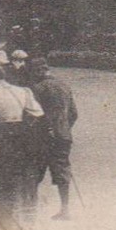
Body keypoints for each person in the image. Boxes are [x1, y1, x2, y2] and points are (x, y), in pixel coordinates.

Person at [0, 65, 44, 218]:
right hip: (21, 132)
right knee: (19, 167)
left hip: (2, 133)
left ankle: (2, 206)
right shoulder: (23, 91)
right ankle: (19, 202)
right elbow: (38, 112)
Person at [25, 57, 76, 220]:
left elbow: (33, 115)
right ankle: (65, 209)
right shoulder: (65, 86)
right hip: (63, 136)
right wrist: (64, 128)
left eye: (34, 72)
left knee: (33, 171)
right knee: (62, 171)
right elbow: (74, 114)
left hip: (42, 137)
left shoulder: (36, 88)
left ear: (39, 71)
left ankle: (32, 210)